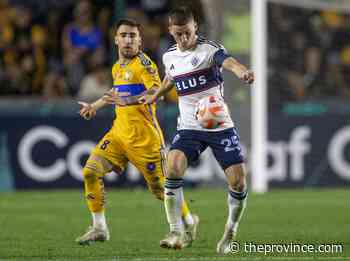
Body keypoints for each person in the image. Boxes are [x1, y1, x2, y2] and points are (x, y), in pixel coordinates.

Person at [140, 7, 254, 253]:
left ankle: (230, 231)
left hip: (219, 125)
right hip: (190, 125)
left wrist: (242, 71)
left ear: (196, 28)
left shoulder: (208, 50)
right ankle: (176, 230)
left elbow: (230, 62)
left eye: (188, 33)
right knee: (172, 165)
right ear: (170, 31)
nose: (184, 38)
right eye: (179, 34)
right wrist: (157, 95)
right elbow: (171, 78)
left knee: (238, 182)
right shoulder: (169, 56)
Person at [76, 18, 198, 246]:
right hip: (118, 136)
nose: (128, 39)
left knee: (162, 190)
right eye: (124, 35)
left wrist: (127, 100)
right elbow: (116, 92)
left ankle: (188, 222)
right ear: (116, 39)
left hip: (145, 140)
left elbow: (155, 90)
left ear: (140, 41)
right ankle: (99, 227)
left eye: (133, 35)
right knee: (90, 172)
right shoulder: (117, 67)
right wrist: (95, 106)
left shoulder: (145, 64)